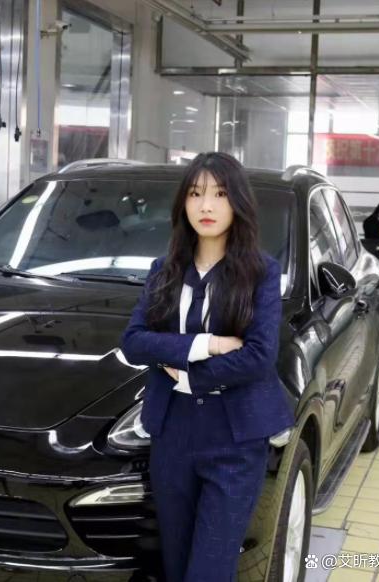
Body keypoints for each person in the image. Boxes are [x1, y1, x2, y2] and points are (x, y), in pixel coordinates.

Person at [120, 152, 295, 582]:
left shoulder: (261, 272)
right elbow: (134, 342)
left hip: (235, 439)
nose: (206, 206)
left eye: (219, 194)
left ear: (237, 202)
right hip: (172, 435)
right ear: (183, 203)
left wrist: (188, 373)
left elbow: (259, 356)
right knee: (176, 564)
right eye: (196, 194)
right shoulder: (163, 271)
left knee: (209, 571)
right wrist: (207, 344)